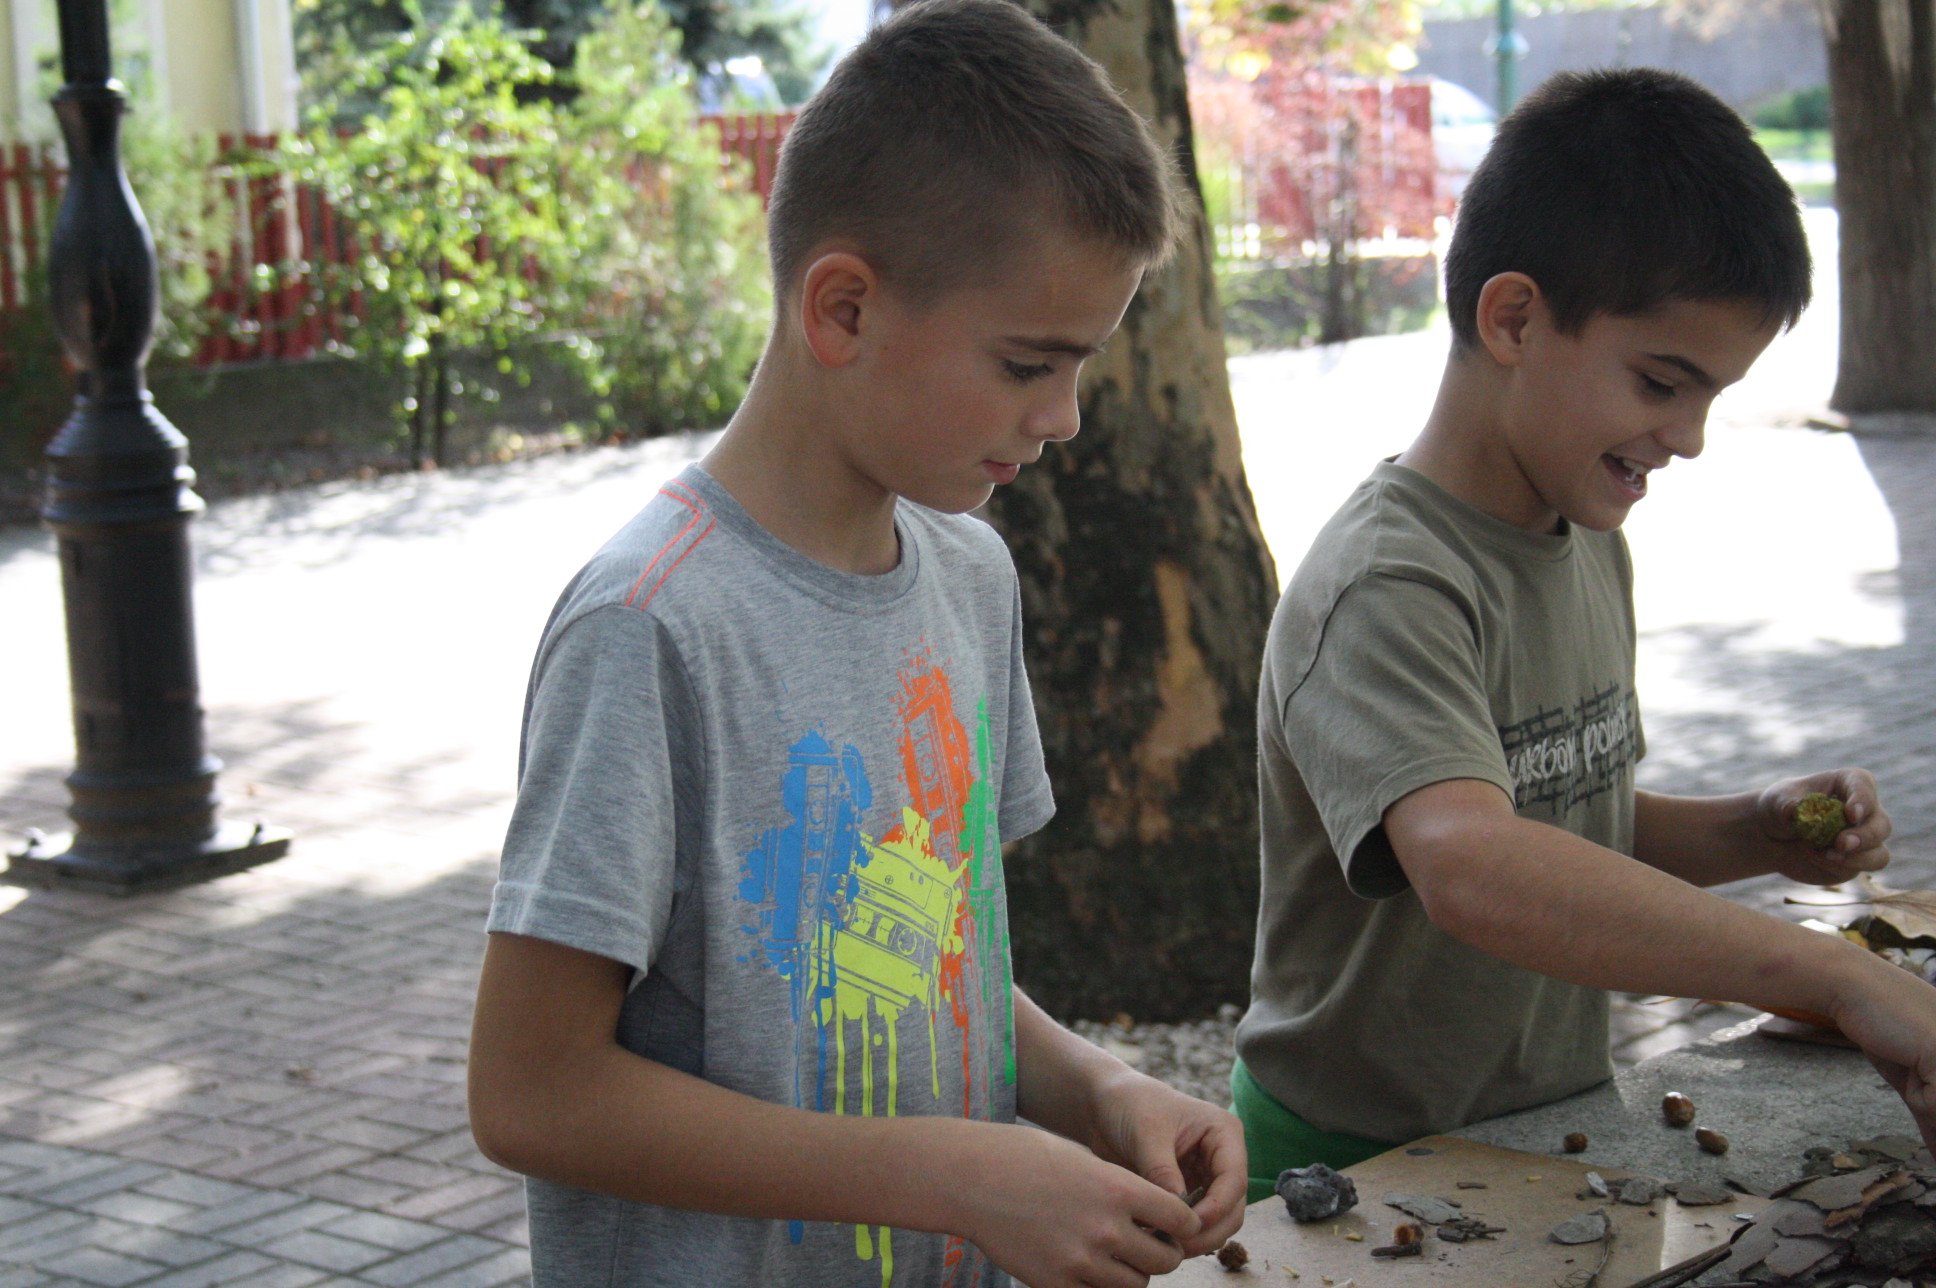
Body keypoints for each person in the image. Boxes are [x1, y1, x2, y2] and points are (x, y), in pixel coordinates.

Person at [464, 2, 1248, 1284]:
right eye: (1027, 365)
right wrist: (953, 1174)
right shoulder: (647, 627)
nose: (1064, 416)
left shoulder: (971, 575)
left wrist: (1103, 1091)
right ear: (842, 309)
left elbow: (934, 964)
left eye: (1082, 366)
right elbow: (531, 1094)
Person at [1233, 67, 1936, 1200]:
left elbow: (1572, 824)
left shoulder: (1584, 533)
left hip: (1550, 1132)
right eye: (1662, 383)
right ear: (1513, 318)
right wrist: (1832, 977)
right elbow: (1474, 864)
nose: (1689, 437)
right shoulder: (1387, 582)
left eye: (1711, 396)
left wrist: (1754, 829)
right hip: (1355, 1167)